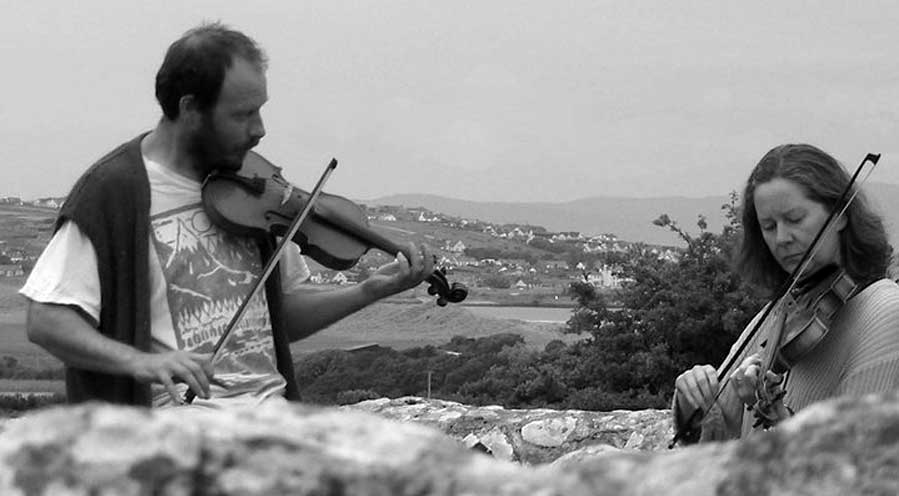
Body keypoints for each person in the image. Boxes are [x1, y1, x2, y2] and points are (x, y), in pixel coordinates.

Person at [20, 22, 435, 409]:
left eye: (259, 110)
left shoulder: (251, 187)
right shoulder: (114, 192)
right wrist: (139, 362)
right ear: (190, 109)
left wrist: (369, 292)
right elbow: (47, 320)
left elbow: (280, 317)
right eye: (242, 114)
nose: (260, 129)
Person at [672, 143, 899, 442]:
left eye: (794, 219)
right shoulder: (783, 310)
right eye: (768, 226)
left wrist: (776, 415)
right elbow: (716, 437)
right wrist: (692, 402)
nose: (782, 239)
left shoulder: (884, 311)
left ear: (840, 214)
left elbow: (855, 460)